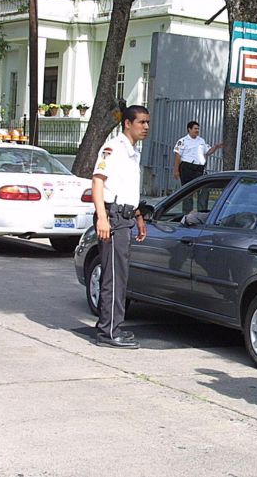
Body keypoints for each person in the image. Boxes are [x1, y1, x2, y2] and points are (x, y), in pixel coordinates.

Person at [92, 105, 150, 349]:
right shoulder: (113, 148)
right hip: (113, 218)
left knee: (119, 274)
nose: (146, 127)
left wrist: (137, 215)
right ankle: (109, 331)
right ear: (127, 123)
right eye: (141, 122)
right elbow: (97, 182)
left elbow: (125, 189)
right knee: (114, 276)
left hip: (125, 216)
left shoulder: (132, 151)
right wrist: (102, 217)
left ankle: (109, 325)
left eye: (147, 122)